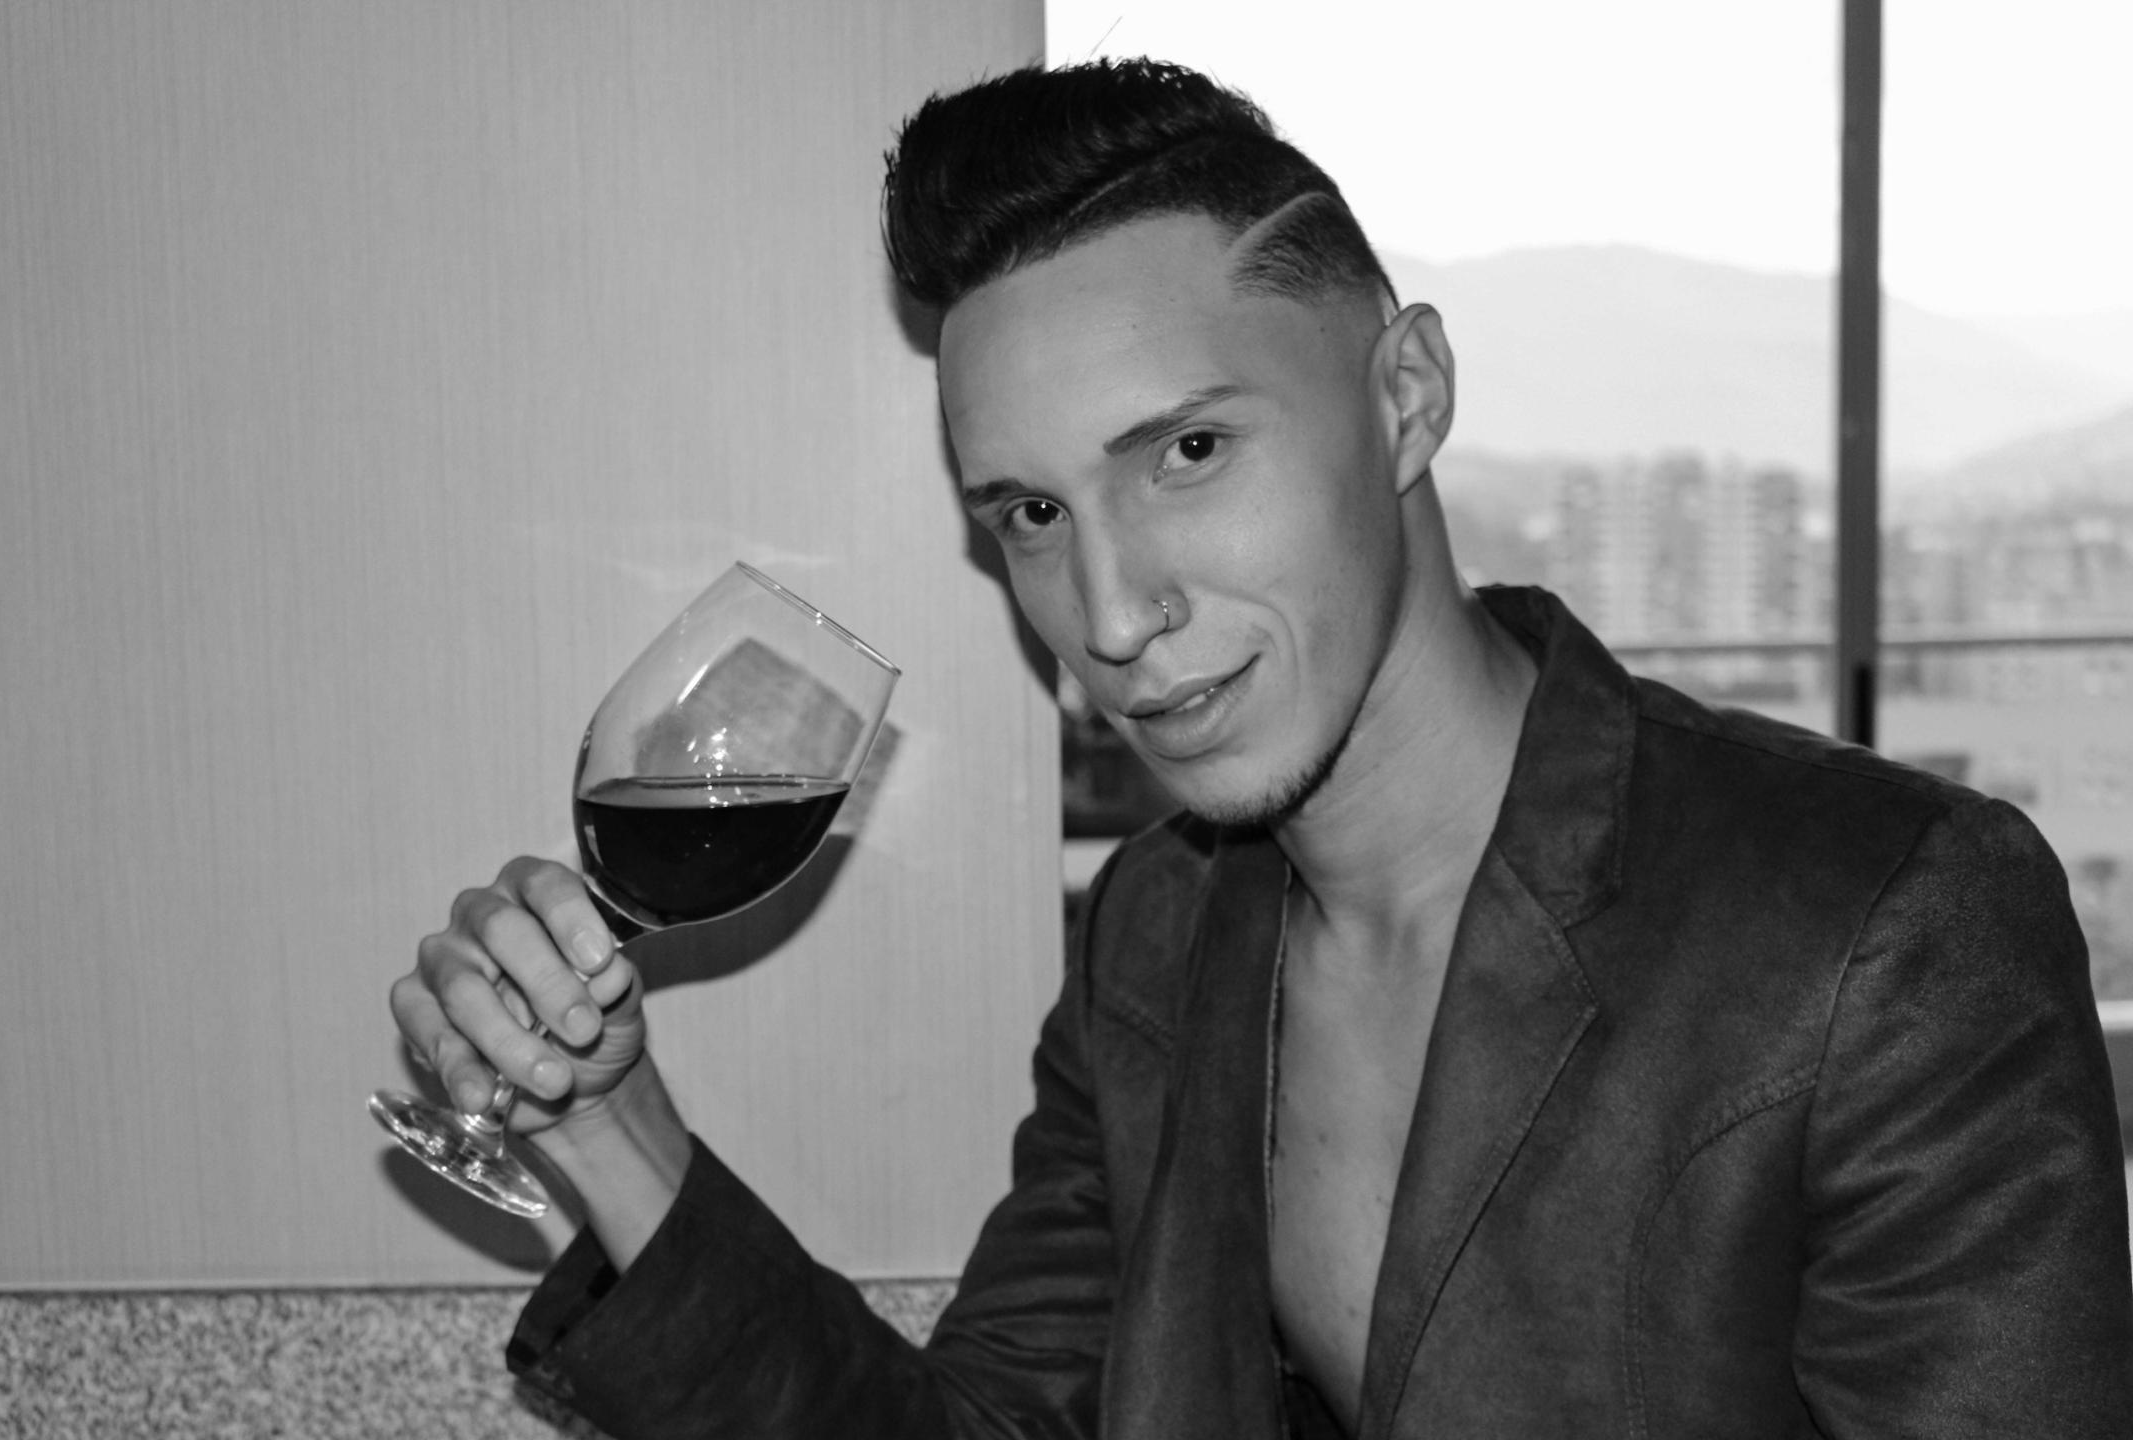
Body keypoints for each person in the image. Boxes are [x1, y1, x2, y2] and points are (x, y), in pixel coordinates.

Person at [389, 59, 2133, 1438]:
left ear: (1406, 397)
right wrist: (611, 1128)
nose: (1111, 611)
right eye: (1030, 513)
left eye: (1189, 453)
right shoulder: (1155, 940)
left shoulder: (1887, 921)